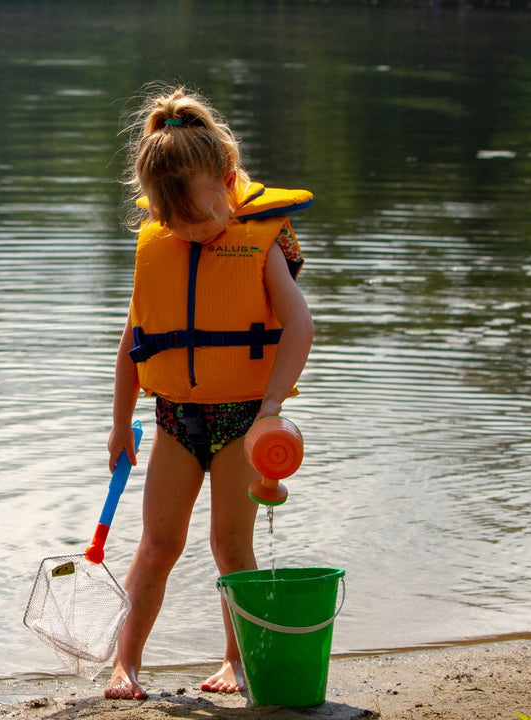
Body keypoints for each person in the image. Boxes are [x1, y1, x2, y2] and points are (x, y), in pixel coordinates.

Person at [105, 85, 315, 700]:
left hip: (243, 419)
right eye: (173, 223)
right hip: (174, 418)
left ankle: (236, 661)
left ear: (227, 183)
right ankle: (127, 665)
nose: (188, 234)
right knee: (157, 545)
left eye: (197, 220)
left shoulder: (262, 240)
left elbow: (299, 324)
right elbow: (132, 345)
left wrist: (270, 412)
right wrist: (120, 424)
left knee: (231, 545)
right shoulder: (157, 246)